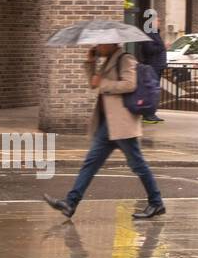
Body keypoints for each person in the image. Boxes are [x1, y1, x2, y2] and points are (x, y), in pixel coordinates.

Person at [43, 42, 166, 220]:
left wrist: (104, 83)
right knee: (90, 163)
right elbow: (94, 85)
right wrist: (90, 63)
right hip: (108, 125)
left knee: (138, 164)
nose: (97, 47)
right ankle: (71, 203)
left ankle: (156, 203)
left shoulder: (125, 59)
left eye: (100, 44)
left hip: (121, 124)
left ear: (111, 44)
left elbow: (129, 85)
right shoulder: (108, 61)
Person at [140, 15, 167, 125]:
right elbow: (149, 49)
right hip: (152, 66)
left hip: (158, 66)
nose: (159, 22)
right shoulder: (149, 34)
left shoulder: (155, 34)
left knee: (154, 91)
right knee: (151, 91)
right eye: (157, 20)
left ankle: (152, 114)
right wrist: (163, 47)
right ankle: (148, 114)